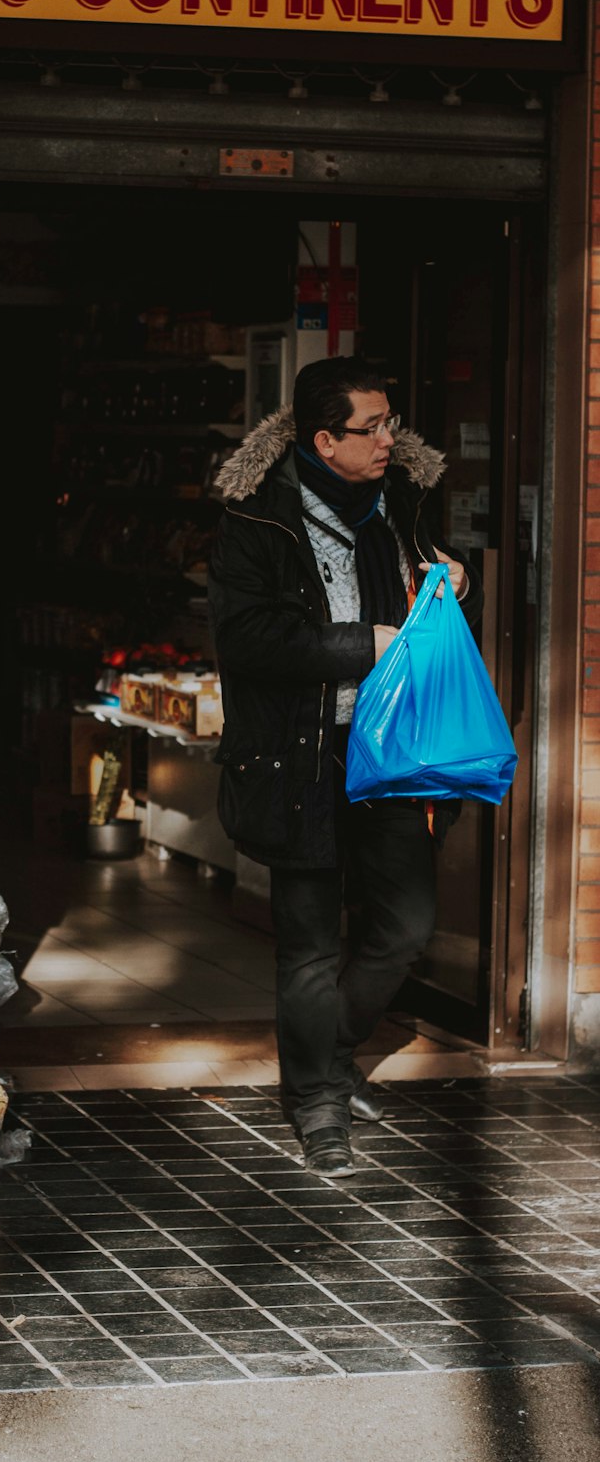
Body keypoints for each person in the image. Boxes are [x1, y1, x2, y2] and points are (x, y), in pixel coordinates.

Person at [208, 356, 482, 1178]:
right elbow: (247, 641)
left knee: (404, 927)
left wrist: (451, 574)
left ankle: (330, 1051)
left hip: (391, 747)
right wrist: (361, 645)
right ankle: (317, 1100)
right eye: (374, 427)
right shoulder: (256, 518)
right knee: (310, 946)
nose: (390, 440)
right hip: (300, 757)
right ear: (325, 439)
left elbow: (422, 575)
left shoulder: (399, 500)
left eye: (391, 422)